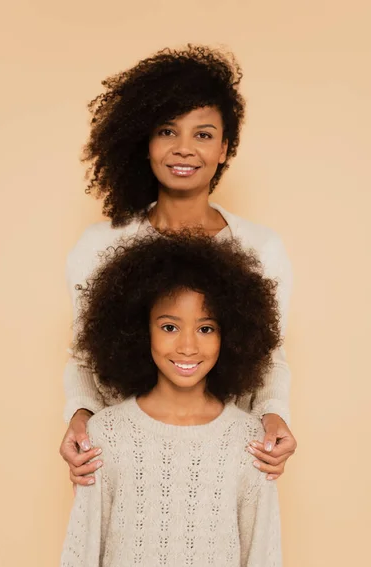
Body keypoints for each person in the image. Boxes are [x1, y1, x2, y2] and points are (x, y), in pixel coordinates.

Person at [60, 45, 297, 487]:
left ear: (225, 148)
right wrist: (79, 417)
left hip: (227, 468)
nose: (184, 149)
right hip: (122, 467)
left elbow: (270, 358)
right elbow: (84, 358)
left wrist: (274, 417)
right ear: (145, 142)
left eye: (203, 135)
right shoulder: (99, 246)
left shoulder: (261, 248)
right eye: (167, 131)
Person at [56, 232, 284, 567]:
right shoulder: (105, 436)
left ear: (233, 336)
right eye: (169, 326)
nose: (188, 346)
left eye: (206, 328)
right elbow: (79, 563)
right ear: (137, 331)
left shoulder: (251, 445)